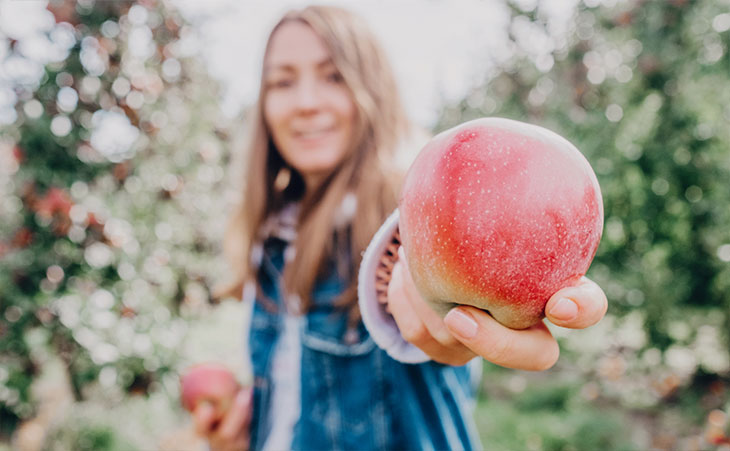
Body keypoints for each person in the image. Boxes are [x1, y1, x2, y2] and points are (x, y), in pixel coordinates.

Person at [191, 5, 608, 451]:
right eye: (283, 81)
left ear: (372, 88)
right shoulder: (271, 237)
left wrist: (444, 319)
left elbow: (421, 296)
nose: (306, 101)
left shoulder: (411, 222)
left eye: (333, 76)